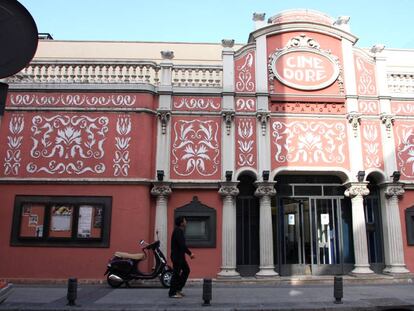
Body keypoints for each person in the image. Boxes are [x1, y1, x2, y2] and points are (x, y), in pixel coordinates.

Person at [168, 216, 195, 298]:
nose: (186, 222)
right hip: (177, 257)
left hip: (180, 256)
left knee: (186, 270)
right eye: (184, 220)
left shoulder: (179, 231)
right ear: (181, 223)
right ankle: (172, 293)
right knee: (176, 274)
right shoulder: (178, 231)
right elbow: (182, 245)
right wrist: (190, 253)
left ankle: (178, 289)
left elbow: (182, 246)